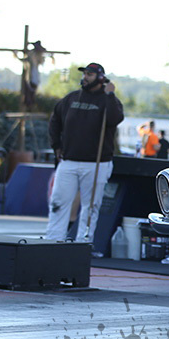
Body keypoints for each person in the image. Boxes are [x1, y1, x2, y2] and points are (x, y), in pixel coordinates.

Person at [45, 62, 124, 242]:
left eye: (89, 74)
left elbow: (115, 119)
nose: (85, 77)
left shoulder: (108, 100)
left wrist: (110, 95)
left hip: (97, 162)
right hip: (69, 160)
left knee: (91, 206)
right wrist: (56, 145)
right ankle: (53, 240)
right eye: (85, 74)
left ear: (101, 78)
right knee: (58, 202)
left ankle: (84, 242)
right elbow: (54, 120)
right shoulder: (71, 98)